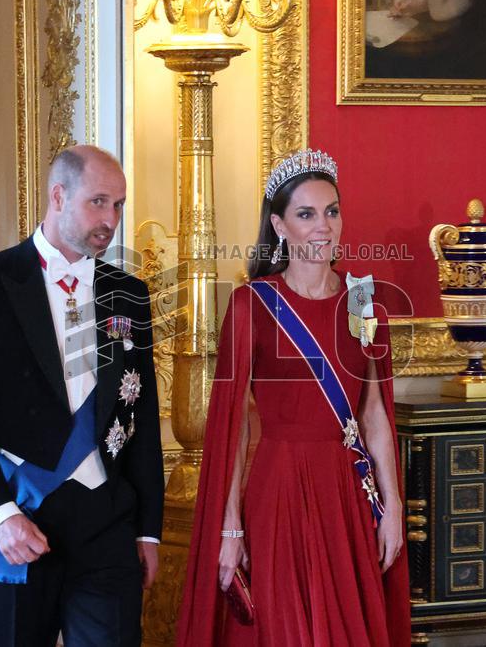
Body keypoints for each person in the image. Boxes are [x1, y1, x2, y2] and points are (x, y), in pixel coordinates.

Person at [176, 149, 411, 645]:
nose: (323, 226)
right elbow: (235, 424)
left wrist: (392, 506)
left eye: (331, 211)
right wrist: (231, 527)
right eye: (306, 214)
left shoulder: (365, 301)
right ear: (280, 226)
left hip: (346, 492)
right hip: (279, 489)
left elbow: (373, 415)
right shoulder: (251, 305)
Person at [0, 145, 164, 646]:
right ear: (58, 196)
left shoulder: (129, 293)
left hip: (105, 522)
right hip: (21, 514)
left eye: (119, 205)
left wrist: (148, 529)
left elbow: (141, 418)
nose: (112, 220)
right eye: (99, 202)